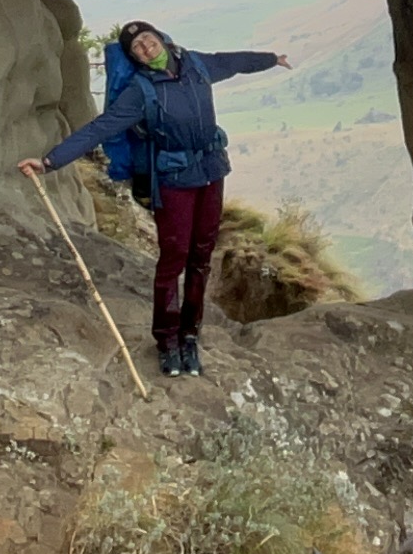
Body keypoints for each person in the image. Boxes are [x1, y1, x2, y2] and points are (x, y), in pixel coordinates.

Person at [19, 20, 288, 378]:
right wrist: (51, 161)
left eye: (148, 40)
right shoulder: (140, 90)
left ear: (160, 39)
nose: (146, 49)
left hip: (210, 171)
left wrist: (271, 59)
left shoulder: (195, 64)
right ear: (135, 58)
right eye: (138, 49)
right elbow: (101, 127)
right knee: (173, 259)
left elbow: (231, 61)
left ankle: (190, 335)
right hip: (174, 178)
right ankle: (167, 341)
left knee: (201, 256)